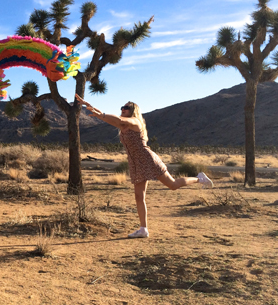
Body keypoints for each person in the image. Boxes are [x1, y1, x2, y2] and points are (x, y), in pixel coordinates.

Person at [75, 94, 213, 239]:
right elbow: (111, 120)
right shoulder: (123, 126)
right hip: (135, 164)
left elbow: (117, 119)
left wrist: (100, 114)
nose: (123, 109)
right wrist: (93, 109)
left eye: (126, 107)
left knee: (172, 185)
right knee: (139, 196)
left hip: (147, 159)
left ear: (133, 110)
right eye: (122, 107)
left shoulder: (135, 122)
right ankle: (143, 229)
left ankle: (199, 178)